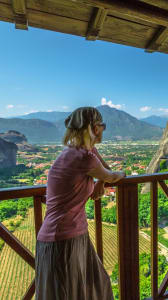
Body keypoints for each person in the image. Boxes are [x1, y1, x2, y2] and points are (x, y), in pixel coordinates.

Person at [35, 107, 125, 300]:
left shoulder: (80, 152)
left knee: (97, 286)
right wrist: (119, 175)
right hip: (62, 239)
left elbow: (103, 171)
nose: (104, 130)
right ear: (95, 128)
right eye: (103, 126)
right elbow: (112, 175)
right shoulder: (84, 158)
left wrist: (100, 181)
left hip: (72, 235)